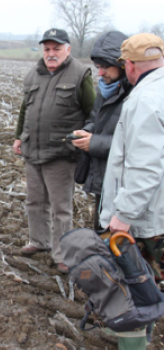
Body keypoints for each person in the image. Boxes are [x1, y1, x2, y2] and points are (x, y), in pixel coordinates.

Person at [13, 28, 96, 273]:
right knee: (34, 201)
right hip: (33, 149)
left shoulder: (80, 73)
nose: (51, 53)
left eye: (56, 48)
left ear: (68, 50)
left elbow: (92, 113)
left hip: (61, 153)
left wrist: (85, 138)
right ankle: (39, 241)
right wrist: (18, 137)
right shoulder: (33, 74)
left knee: (61, 207)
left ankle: (62, 254)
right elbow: (24, 110)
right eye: (47, 49)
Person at [100, 33, 164, 350]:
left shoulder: (144, 100)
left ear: (130, 65)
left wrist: (123, 215)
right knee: (152, 281)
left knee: (134, 283)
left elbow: (144, 167)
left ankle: (136, 342)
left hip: (146, 216)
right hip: (158, 210)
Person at [72, 31, 132, 230]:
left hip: (125, 186)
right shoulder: (105, 90)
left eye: (105, 66)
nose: (100, 73)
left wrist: (94, 142)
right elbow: (95, 119)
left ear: (123, 64)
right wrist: (85, 132)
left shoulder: (136, 96)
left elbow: (135, 144)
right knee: (101, 234)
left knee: (121, 243)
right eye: (98, 67)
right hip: (103, 178)